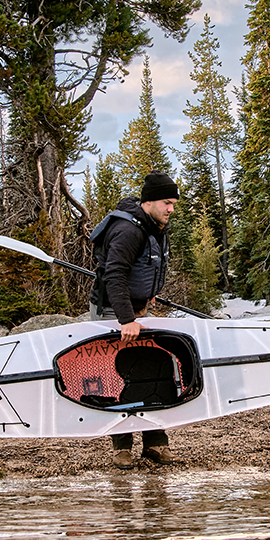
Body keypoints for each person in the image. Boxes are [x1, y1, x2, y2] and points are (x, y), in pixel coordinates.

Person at [89, 170, 179, 469]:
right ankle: (122, 448)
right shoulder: (128, 230)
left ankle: (155, 443)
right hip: (114, 312)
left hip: (137, 309)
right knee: (120, 375)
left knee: (151, 369)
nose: (171, 209)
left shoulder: (153, 226)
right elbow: (114, 275)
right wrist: (126, 319)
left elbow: (143, 267)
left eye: (174, 204)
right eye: (167, 203)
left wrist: (148, 294)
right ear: (148, 201)